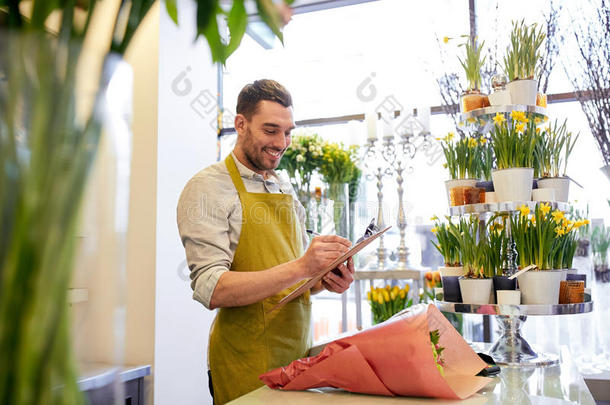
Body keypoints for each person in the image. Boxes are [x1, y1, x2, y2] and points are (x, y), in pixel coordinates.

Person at [177, 79, 355, 404]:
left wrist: (323, 279)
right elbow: (211, 288)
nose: (282, 142)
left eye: (288, 132)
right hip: (245, 362)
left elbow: (293, 278)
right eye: (271, 130)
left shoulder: (282, 186)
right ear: (240, 124)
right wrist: (303, 265)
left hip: (296, 356)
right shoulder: (207, 188)